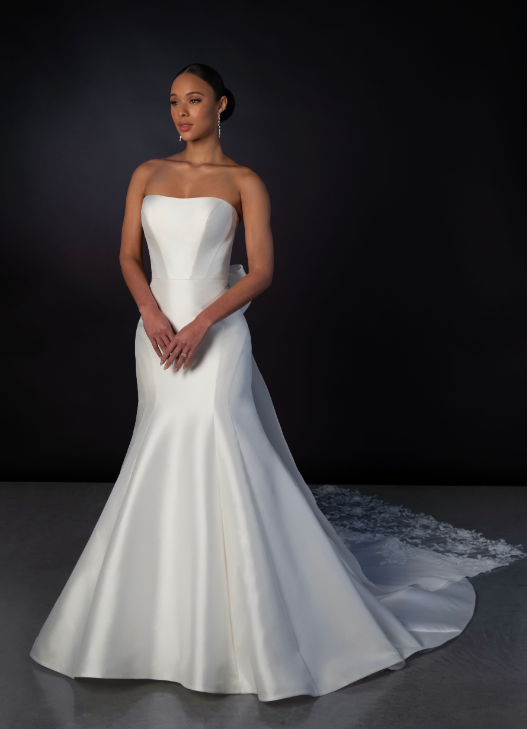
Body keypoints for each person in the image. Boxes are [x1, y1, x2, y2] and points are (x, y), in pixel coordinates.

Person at [29, 63, 481, 702]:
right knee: (158, 448)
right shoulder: (146, 173)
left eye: (193, 100)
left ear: (221, 105)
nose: (181, 112)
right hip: (155, 335)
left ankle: (244, 622)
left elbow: (262, 271)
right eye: (173, 102)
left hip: (217, 336)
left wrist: (202, 323)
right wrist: (153, 313)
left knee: (221, 444)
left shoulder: (244, 181)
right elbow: (128, 256)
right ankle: (159, 616)